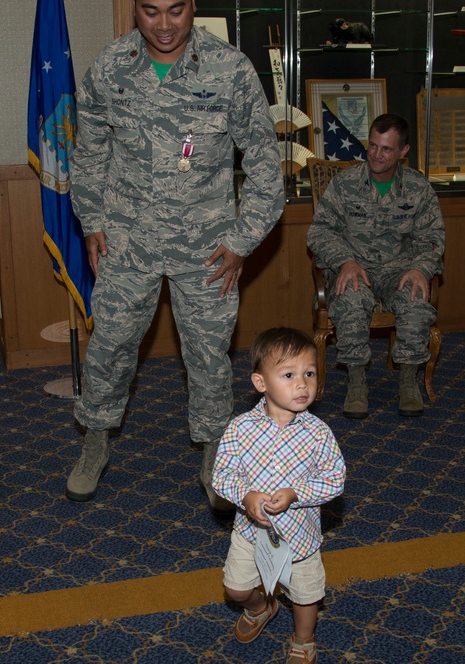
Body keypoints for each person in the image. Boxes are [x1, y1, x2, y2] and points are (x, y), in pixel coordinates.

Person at [67, 0, 286, 510]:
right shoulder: (110, 65)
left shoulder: (230, 69)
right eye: (150, 11)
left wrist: (240, 241)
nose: (164, 25)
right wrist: (92, 221)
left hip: (207, 246)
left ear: (193, 7)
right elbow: (89, 152)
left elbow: (264, 168)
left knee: (209, 354)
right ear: (135, 11)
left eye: (175, 10)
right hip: (128, 239)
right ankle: (95, 439)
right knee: (112, 344)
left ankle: (214, 450)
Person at [213, 327, 345, 658]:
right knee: (235, 589)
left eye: (310, 373)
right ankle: (261, 608)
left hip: (300, 538)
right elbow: (222, 475)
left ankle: (303, 639)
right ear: (261, 383)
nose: (302, 383)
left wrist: (296, 492)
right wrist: (245, 495)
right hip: (251, 533)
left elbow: (334, 478)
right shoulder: (240, 428)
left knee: (305, 596)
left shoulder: (318, 433)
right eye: (289, 374)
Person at [306, 113, 445, 419]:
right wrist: (345, 261)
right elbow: (318, 231)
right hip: (357, 268)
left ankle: (409, 380)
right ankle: (356, 382)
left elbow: (433, 236)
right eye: (372, 146)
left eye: (386, 149)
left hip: (400, 270)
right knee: (351, 296)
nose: (376, 155)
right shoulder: (345, 184)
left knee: (415, 298)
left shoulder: (418, 188)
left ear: (403, 152)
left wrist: (421, 268)